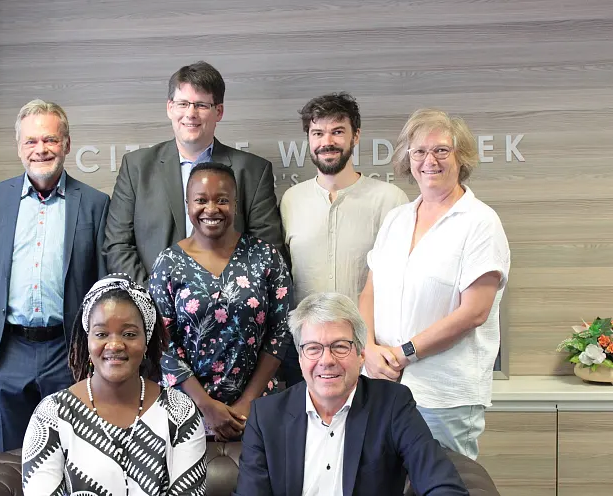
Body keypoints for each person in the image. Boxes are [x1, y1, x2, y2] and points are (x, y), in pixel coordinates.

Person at [0, 274, 229, 496]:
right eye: (101, 333)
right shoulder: (52, 414)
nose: (115, 344)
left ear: (147, 341)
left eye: (129, 334)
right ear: (87, 340)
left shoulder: (179, 412)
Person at [230, 292, 470, 496]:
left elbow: (448, 494)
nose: (327, 360)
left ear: (360, 354)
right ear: (299, 358)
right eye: (313, 348)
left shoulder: (392, 406)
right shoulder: (267, 415)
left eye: (340, 346)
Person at [359, 109, 510, 460]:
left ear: (462, 157)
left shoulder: (480, 222)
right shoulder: (396, 219)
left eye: (441, 150)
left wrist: (402, 352)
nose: (430, 160)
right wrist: (367, 348)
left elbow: (474, 312)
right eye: (419, 151)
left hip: (445, 395)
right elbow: (370, 291)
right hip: (382, 384)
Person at [0, 99, 110, 453]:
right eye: (31, 141)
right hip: (7, 352)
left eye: (49, 140)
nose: (41, 149)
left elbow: (103, 285)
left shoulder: (95, 203)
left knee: (73, 458)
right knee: (9, 464)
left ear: (66, 144)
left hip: (68, 352)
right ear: (18, 147)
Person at [104, 61, 283, 285]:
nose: (190, 114)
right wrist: (154, 298)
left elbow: (267, 251)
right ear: (170, 108)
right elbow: (118, 245)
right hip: (153, 310)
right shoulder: (137, 167)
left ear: (218, 111)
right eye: (183, 103)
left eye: (201, 105)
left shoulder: (253, 172)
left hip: (229, 310)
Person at [149, 162, 291, 442]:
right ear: (188, 204)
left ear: (235, 205)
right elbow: (162, 342)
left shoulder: (265, 257)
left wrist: (247, 403)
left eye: (222, 200)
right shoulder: (168, 263)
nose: (211, 209)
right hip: (184, 409)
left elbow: (280, 333)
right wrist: (205, 405)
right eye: (201, 200)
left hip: (257, 407)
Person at [278, 93, 408, 387]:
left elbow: (402, 284)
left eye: (338, 131)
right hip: (305, 357)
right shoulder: (290, 201)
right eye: (318, 133)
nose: (327, 141)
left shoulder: (390, 200)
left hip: (369, 355)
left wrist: (371, 347)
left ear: (356, 136)